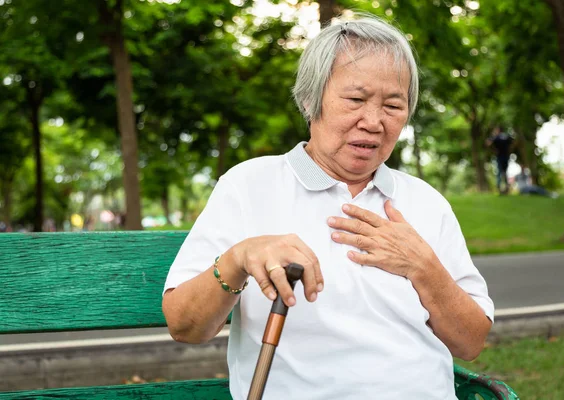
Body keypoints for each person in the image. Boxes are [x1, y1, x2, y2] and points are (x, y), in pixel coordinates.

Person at [163, 15, 493, 400]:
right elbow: (185, 325)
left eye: (393, 105)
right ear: (310, 99)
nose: (373, 122)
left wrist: (422, 265)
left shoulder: (424, 202)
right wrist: (239, 258)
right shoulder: (249, 186)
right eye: (355, 99)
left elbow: (471, 343)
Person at [486, 126, 513, 194]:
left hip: (501, 157)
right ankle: (504, 188)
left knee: (500, 172)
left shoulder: (496, 137)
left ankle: (501, 187)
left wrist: (494, 150)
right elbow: (511, 142)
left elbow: (488, 143)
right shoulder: (505, 136)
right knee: (503, 172)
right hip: (504, 156)